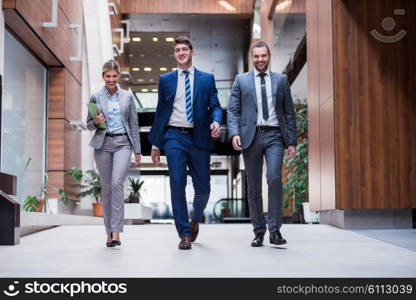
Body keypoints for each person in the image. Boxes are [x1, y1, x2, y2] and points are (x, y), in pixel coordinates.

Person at [148, 36, 222, 250]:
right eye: (177, 50)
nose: (181, 53)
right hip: (174, 136)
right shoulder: (166, 80)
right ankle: (184, 234)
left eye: (184, 49)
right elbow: (160, 113)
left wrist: (216, 121)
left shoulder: (207, 79)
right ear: (174, 54)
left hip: (199, 137)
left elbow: (215, 106)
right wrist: (155, 144)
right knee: (177, 182)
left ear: (192, 52)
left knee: (204, 188)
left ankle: (195, 219)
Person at [227, 41, 297, 247]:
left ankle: (275, 230)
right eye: (256, 56)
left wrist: (291, 141)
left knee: (274, 178)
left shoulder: (281, 80)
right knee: (254, 186)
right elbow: (233, 110)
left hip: (275, 135)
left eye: (263, 56)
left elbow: (289, 113)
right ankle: (259, 231)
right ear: (252, 57)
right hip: (251, 137)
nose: (260, 60)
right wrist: (234, 134)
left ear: (269, 56)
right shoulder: (241, 80)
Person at [86, 59, 141, 247]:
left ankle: (116, 231)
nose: (111, 79)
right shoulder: (96, 97)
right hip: (103, 144)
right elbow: (88, 124)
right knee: (107, 188)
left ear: (118, 76)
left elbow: (134, 123)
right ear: (103, 77)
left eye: (114, 76)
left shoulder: (127, 97)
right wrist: (96, 121)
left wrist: (138, 151)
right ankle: (108, 232)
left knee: (117, 183)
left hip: (123, 143)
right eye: (108, 76)